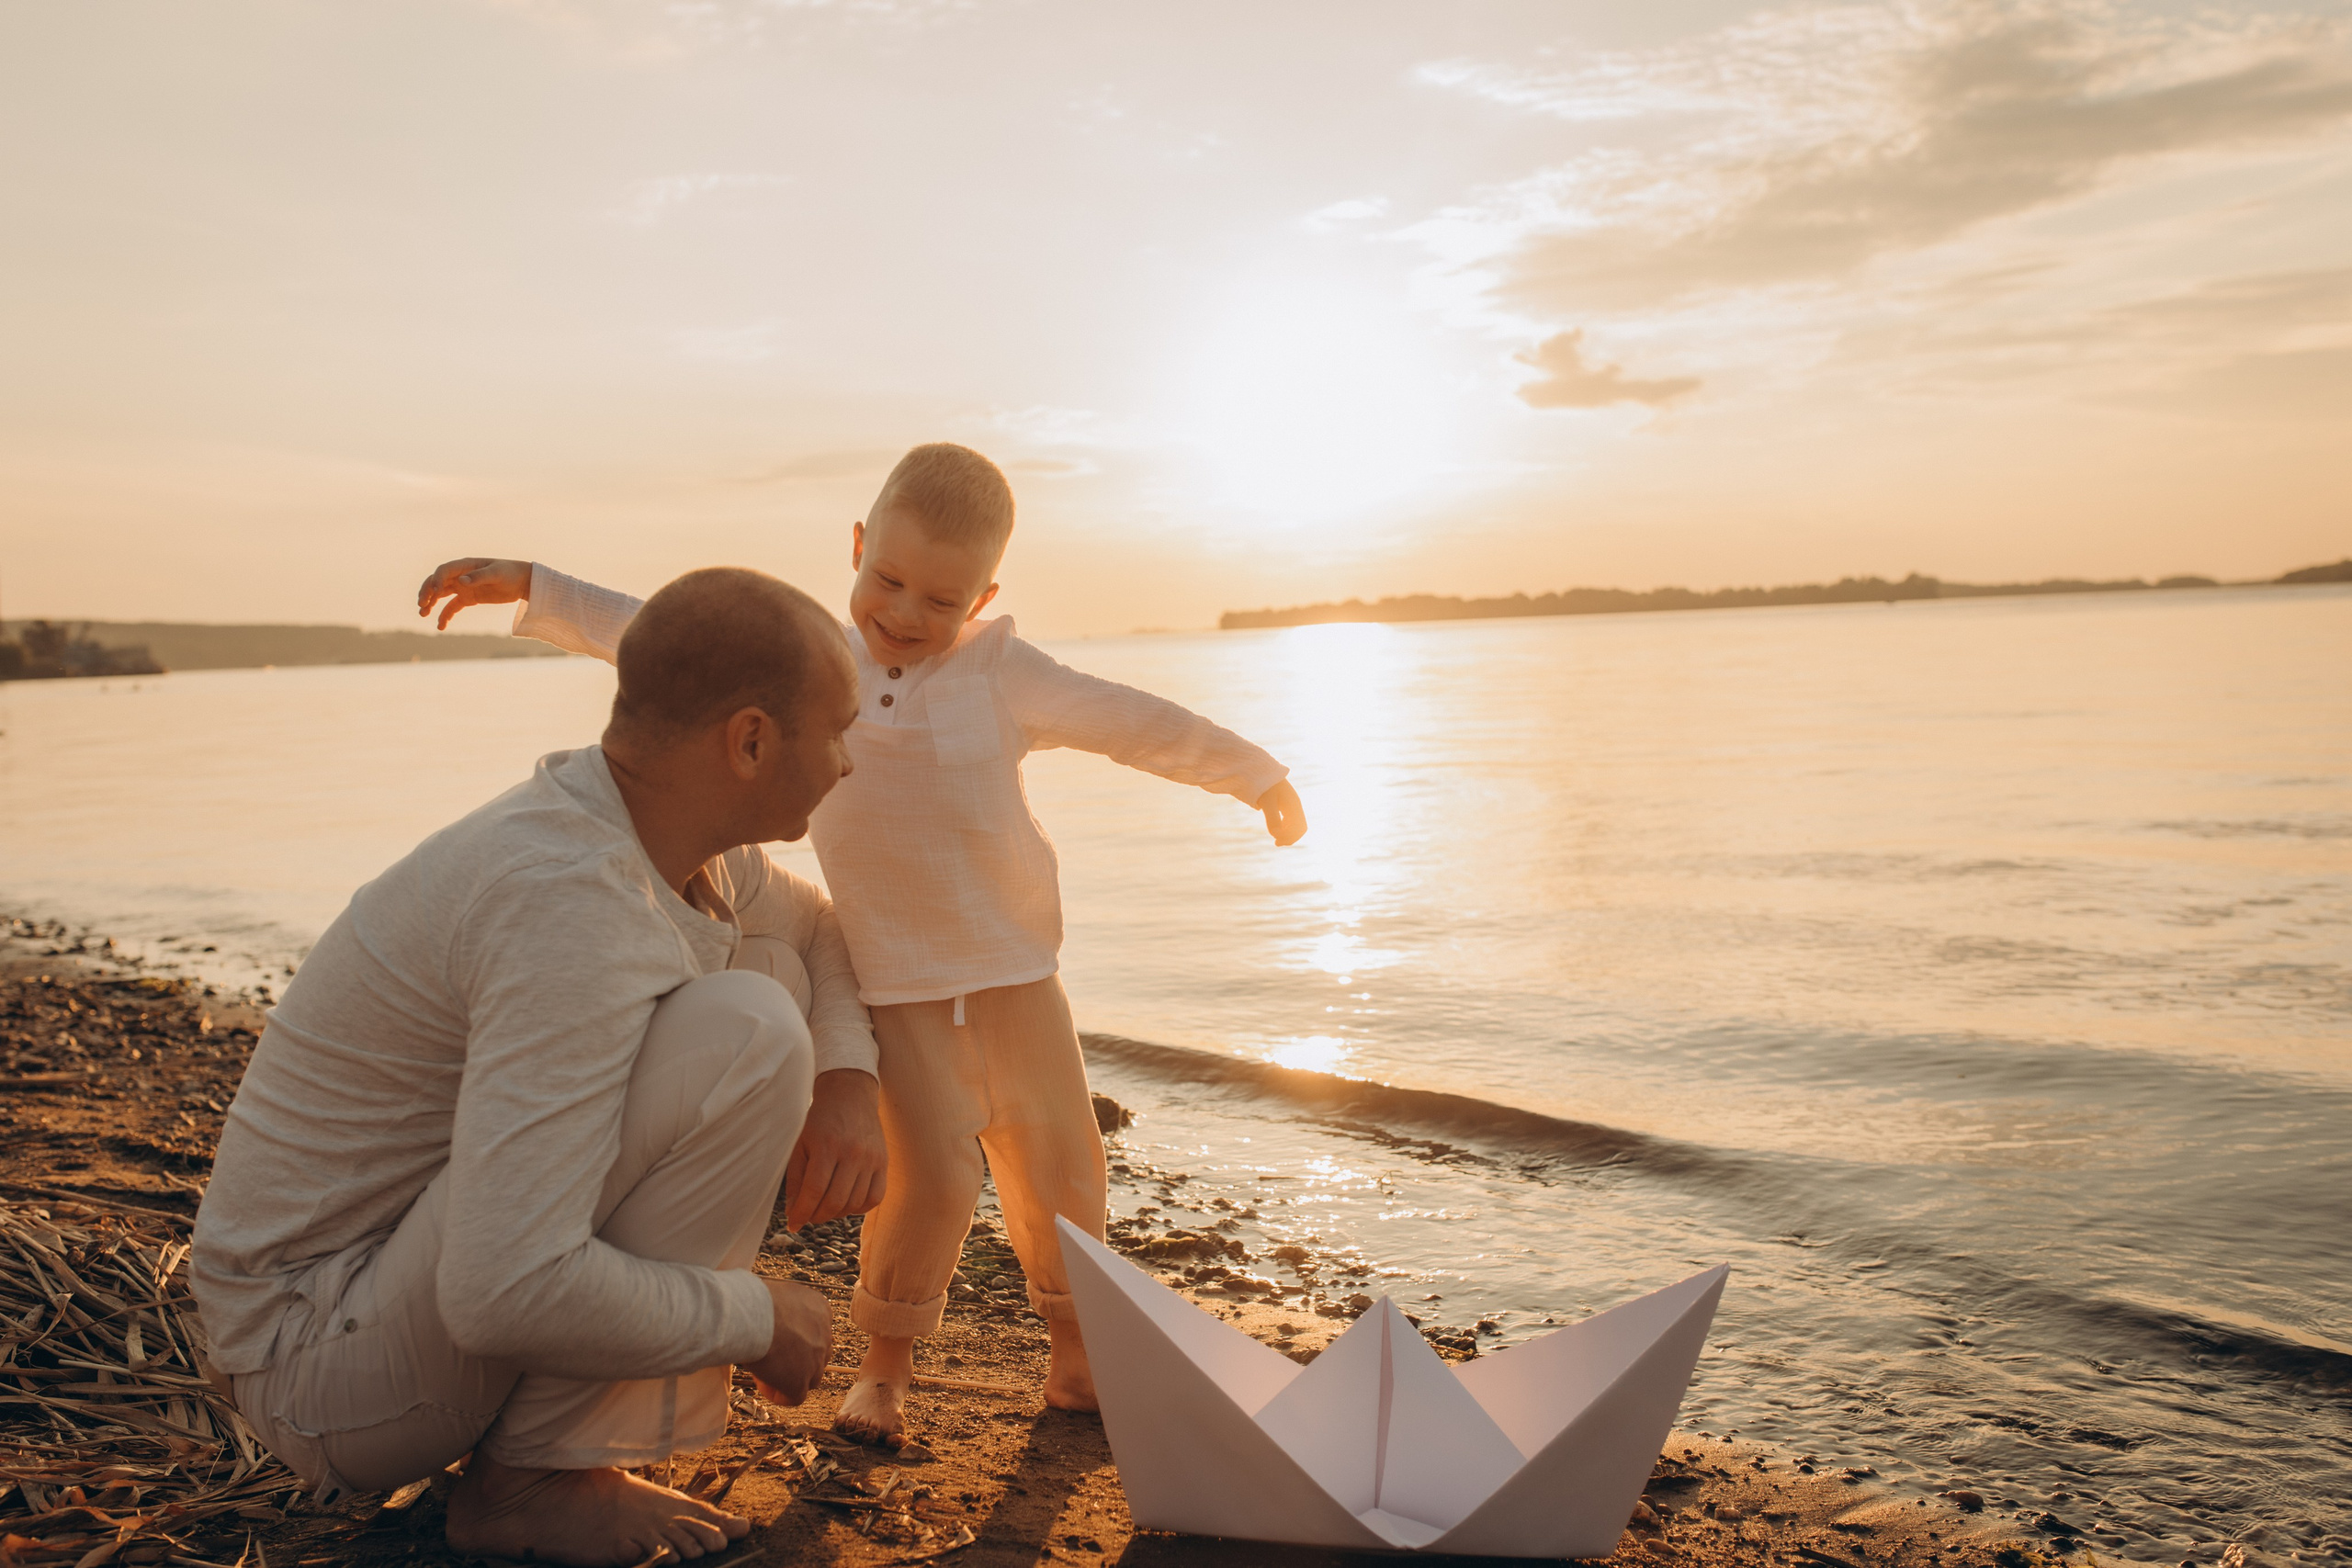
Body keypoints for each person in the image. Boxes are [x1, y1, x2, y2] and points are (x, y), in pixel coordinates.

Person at [416, 442, 1308, 1449]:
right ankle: (884, 1368)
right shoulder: (812, 661)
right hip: (897, 987)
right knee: (928, 1181)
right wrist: (537, 587)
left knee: (1064, 1170)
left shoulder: (1001, 673)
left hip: (1021, 980)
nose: (905, 614)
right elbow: (663, 638)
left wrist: (1256, 776)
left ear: (984, 595)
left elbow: (1130, 721)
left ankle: (1077, 1354)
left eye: (940, 598)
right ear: (855, 547)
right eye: (886, 579)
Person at [193, 568, 876, 1567]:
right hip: (321, 1362)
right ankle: (534, 1488)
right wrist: (755, 1317)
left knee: (764, 977)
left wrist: (850, 1083)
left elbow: (814, 929)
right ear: (751, 741)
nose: (851, 763)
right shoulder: (570, 900)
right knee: (750, 1030)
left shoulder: (654, 831)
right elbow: (503, 1288)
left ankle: (555, 1464)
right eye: (839, 730)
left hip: (386, 1292)